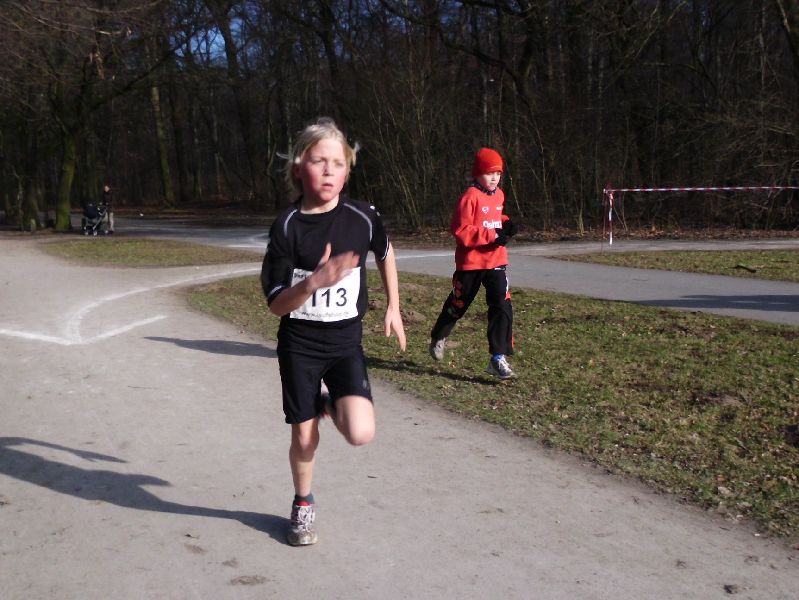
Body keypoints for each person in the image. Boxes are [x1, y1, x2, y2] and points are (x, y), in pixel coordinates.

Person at [260, 117, 406, 546]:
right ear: (298, 169)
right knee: (305, 437)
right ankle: (302, 504)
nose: (328, 170)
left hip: (345, 343)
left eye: (338, 163)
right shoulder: (287, 226)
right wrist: (313, 283)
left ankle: (327, 402)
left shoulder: (363, 216)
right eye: (318, 161)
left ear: (348, 170)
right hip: (300, 346)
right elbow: (275, 305)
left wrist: (394, 307)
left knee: (361, 433)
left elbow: (386, 251)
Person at [428, 147, 518, 379]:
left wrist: (506, 223)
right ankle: (439, 334)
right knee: (459, 303)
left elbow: (493, 219)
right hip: (471, 263)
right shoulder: (469, 197)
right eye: (489, 173)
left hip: (496, 260)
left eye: (498, 173)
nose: (494, 178)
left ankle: (498, 357)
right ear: (478, 173)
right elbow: (461, 230)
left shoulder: (499, 195)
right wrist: (491, 235)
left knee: (502, 304)